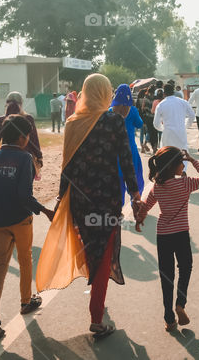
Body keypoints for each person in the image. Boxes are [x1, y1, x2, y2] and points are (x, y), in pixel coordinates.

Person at [36, 73, 140, 340]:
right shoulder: (113, 121)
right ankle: (96, 316)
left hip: (80, 199)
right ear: (105, 94)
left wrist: (61, 199)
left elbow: (66, 166)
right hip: (107, 198)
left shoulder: (73, 122)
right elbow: (126, 160)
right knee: (103, 252)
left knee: (91, 247)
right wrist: (136, 194)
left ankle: (97, 297)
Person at [0, 114, 54, 342]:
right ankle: (25, 301)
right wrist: (45, 210)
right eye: (28, 136)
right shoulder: (25, 158)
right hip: (20, 219)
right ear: (23, 137)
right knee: (25, 259)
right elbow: (25, 195)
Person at [135, 146, 199, 331]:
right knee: (185, 268)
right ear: (173, 166)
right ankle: (180, 304)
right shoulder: (185, 184)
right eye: (181, 163)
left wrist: (139, 219)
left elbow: (146, 206)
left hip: (163, 236)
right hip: (181, 234)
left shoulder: (158, 187)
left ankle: (169, 318)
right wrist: (193, 160)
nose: (183, 166)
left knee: (166, 275)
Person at [0, 92, 43, 175]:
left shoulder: (1, 120)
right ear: (21, 104)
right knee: (25, 184)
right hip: (26, 157)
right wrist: (39, 156)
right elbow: (33, 140)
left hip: (5, 158)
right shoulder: (28, 118)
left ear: (6, 103)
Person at [111, 84, 146, 195]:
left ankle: (119, 206)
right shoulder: (133, 110)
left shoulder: (110, 111)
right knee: (135, 176)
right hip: (130, 148)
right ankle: (136, 201)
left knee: (118, 180)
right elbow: (140, 124)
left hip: (114, 150)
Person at [138, 88, 154, 153]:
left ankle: (142, 147)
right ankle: (145, 143)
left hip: (140, 117)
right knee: (148, 132)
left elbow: (139, 110)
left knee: (141, 133)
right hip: (147, 117)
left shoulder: (139, 100)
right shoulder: (147, 99)